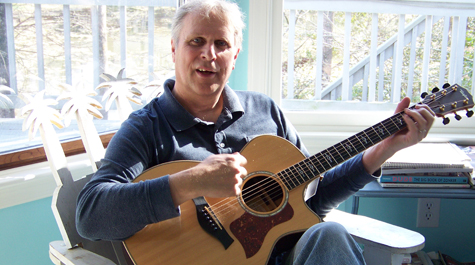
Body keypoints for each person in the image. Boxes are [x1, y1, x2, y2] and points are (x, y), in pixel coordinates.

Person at [76, 0, 435, 264]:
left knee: (330, 233)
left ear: (236, 53)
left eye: (221, 44)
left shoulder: (265, 112)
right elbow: (90, 214)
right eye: (195, 42)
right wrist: (190, 182)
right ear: (174, 49)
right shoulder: (146, 127)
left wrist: (385, 148)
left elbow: (313, 201)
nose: (209, 55)